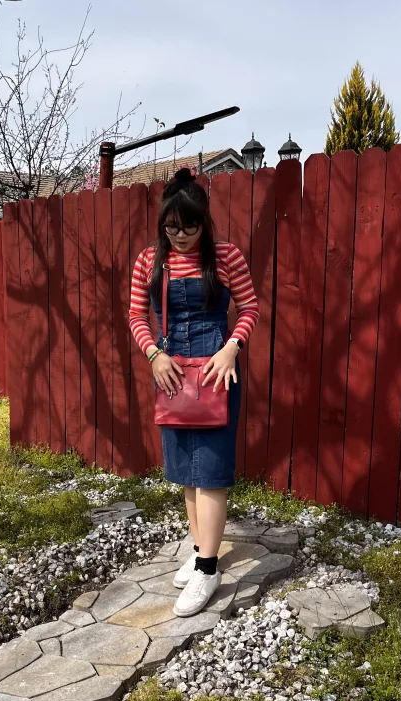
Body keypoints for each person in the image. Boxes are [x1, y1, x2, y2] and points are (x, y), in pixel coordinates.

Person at [129, 168, 259, 617]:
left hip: (217, 373)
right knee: (187, 471)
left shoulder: (226, 257)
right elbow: (135, 316)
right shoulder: (150, 261)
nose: (180, 236)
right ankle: (201, 548)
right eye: (171, 227)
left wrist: (232, 348)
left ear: (204, 222)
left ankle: (208, 568)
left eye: (189, 227)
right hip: (171, 374)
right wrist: (154, 356)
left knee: (213, 472)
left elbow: (251, 307)